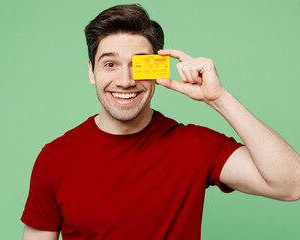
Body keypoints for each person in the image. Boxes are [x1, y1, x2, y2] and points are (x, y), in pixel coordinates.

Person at [21, 4, 300, 240]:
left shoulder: (196, 146)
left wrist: (218, 98)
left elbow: (292, 185)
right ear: (92, 71)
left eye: (140, 65)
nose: (126, 80)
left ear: (157, 70)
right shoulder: (54, 158)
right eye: (110, 64)